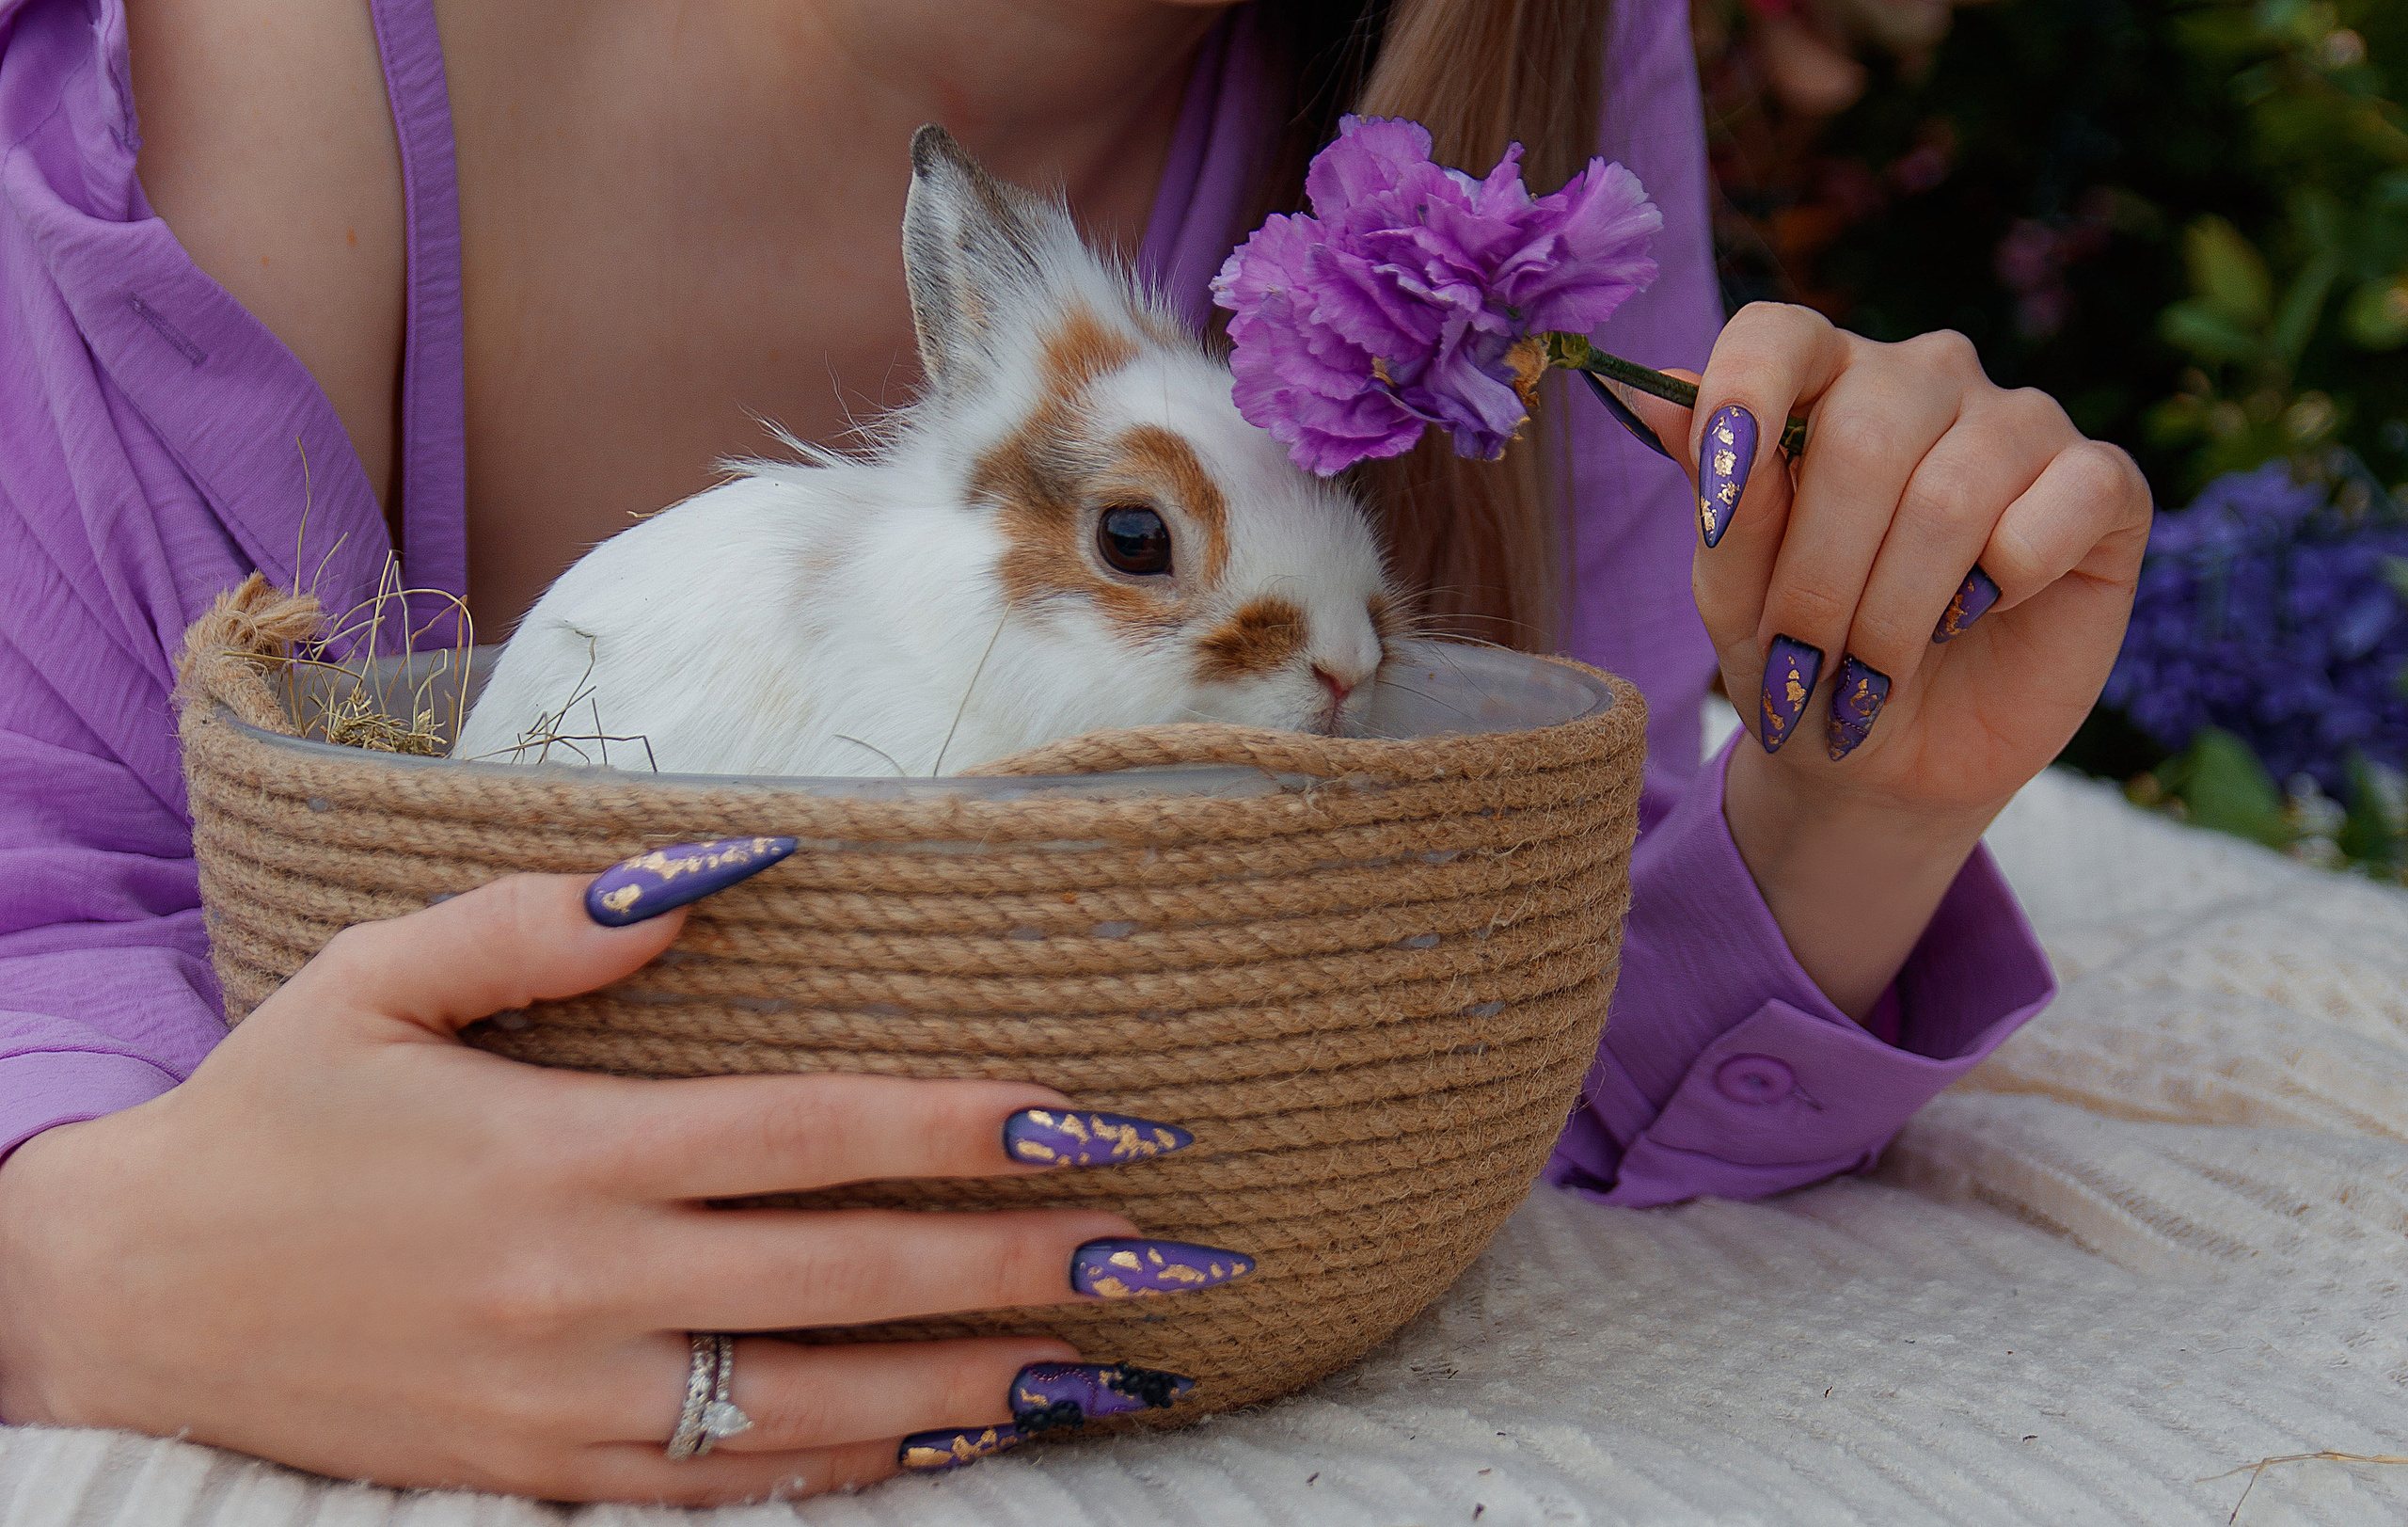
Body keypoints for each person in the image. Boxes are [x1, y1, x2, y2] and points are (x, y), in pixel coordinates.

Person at [0, 0, 2150, 1504]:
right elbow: (50, 954)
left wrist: (1857, 782)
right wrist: (83, 1270)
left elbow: (1493, 1016)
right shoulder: (223, 74)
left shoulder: (1508, 63)